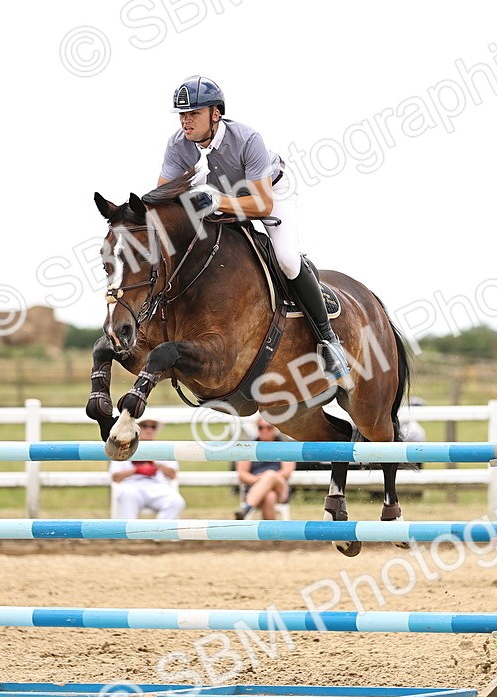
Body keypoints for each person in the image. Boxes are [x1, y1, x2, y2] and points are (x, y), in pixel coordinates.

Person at [158, 75, 350, 387]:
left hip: (268, 195)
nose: (186, 121)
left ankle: (329, 341)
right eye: (182, 114)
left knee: (286, 259)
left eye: (193, 114)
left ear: (215, 114)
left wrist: (218, 200)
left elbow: (260, 205)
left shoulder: (247, 139)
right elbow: (164, 198)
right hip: (219, 200)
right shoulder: (177, 145)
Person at [109, 419, 185, 519]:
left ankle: (159, 533)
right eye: (144, 426)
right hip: (131, 485)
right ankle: (128, 532)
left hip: (157, 486)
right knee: (127, 494)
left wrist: (156, 464)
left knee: (176, 501)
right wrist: (136, 470)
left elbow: (173, 475)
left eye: (153, 427)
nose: (149, 430)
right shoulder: (122, 448)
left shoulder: (163, 448)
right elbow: (115, 477)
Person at [235, 419, 296, 520]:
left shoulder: (284, 446)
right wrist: (262, 481)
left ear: (275, 429)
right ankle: (270, 534)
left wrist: (267, 477)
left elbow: (287, 472)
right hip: (255, 488)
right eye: (261, 427)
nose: (264, 431)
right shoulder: (249, 446)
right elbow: (242, 474)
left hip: (279, 488)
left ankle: (247, 507)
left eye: (269, 427)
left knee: (270, 474)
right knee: (269, 496)